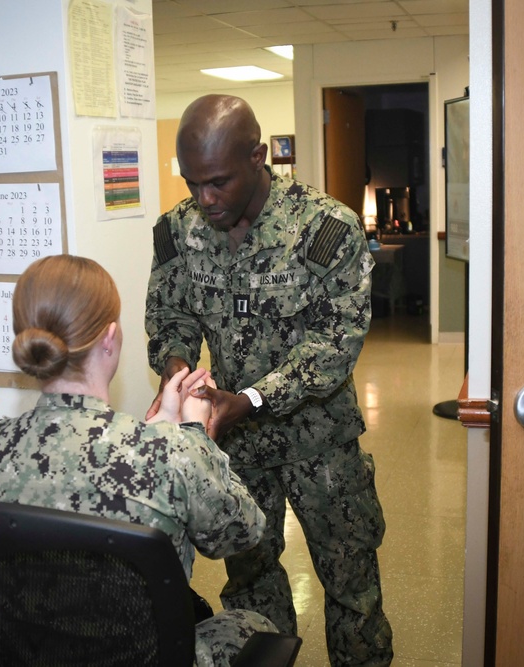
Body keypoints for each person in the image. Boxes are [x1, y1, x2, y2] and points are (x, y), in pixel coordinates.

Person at [145, 94, 393, 666]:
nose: (204, 199)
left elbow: (333, 347)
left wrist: (253, 398)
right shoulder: (178, 232)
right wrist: (178, 371)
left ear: (260, 157)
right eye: (191, 183)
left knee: (351, 583)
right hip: (236, 445)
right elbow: (170, 316)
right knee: (251, 583)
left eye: (218, 182)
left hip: (320, 441)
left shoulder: (325, 228)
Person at [0, 254, 278, 667]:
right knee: (255, 626)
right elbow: (242, 533)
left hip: (32, 657)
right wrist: (194, 437)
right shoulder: (169, 454)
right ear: (110, 339)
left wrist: (166, 423)